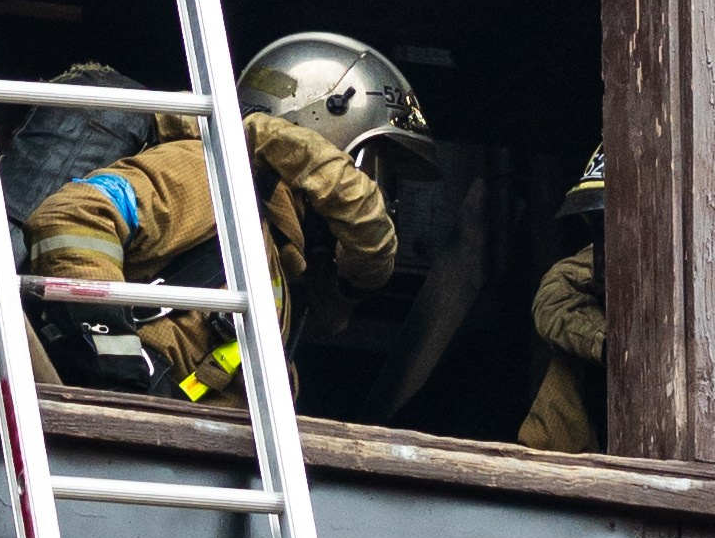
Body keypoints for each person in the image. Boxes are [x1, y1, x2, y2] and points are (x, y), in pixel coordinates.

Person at [22, 30, 435, 406]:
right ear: (327, 136)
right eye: (375, 166)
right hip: (116, 432)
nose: (385, 195)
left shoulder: (274, 248)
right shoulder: (213, 177)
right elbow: (72, 218)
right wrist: (119, 364)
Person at [516, 143, 606, 453]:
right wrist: (609, 344)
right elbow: (554, 292)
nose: (605, 242)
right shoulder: (594, 264)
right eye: (599, 226)